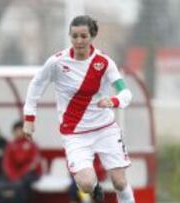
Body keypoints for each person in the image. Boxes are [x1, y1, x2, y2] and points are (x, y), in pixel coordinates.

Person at [22, 15, 134, 203]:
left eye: (83, 36)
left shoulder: (104, 63)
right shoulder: (57, 62)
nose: (79, 41)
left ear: (92, 37)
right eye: (74, 36)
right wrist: (29, 118)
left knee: (120, 182)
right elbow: (36, 85)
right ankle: (94, 186)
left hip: (105, 128)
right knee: (85, 184)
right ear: (70, 37)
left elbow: (126, 93)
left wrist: (113, 101)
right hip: (75, 133)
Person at [0, 120, 41, 203]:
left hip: (29, 174)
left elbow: (33, 164)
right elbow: (6, 163)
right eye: (16, 130)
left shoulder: (31, 145)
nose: (18, 132)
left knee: (21, 185)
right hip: (14, 175)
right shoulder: (10, 145)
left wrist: (20, 174)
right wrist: (13, 176)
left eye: (20, 130)